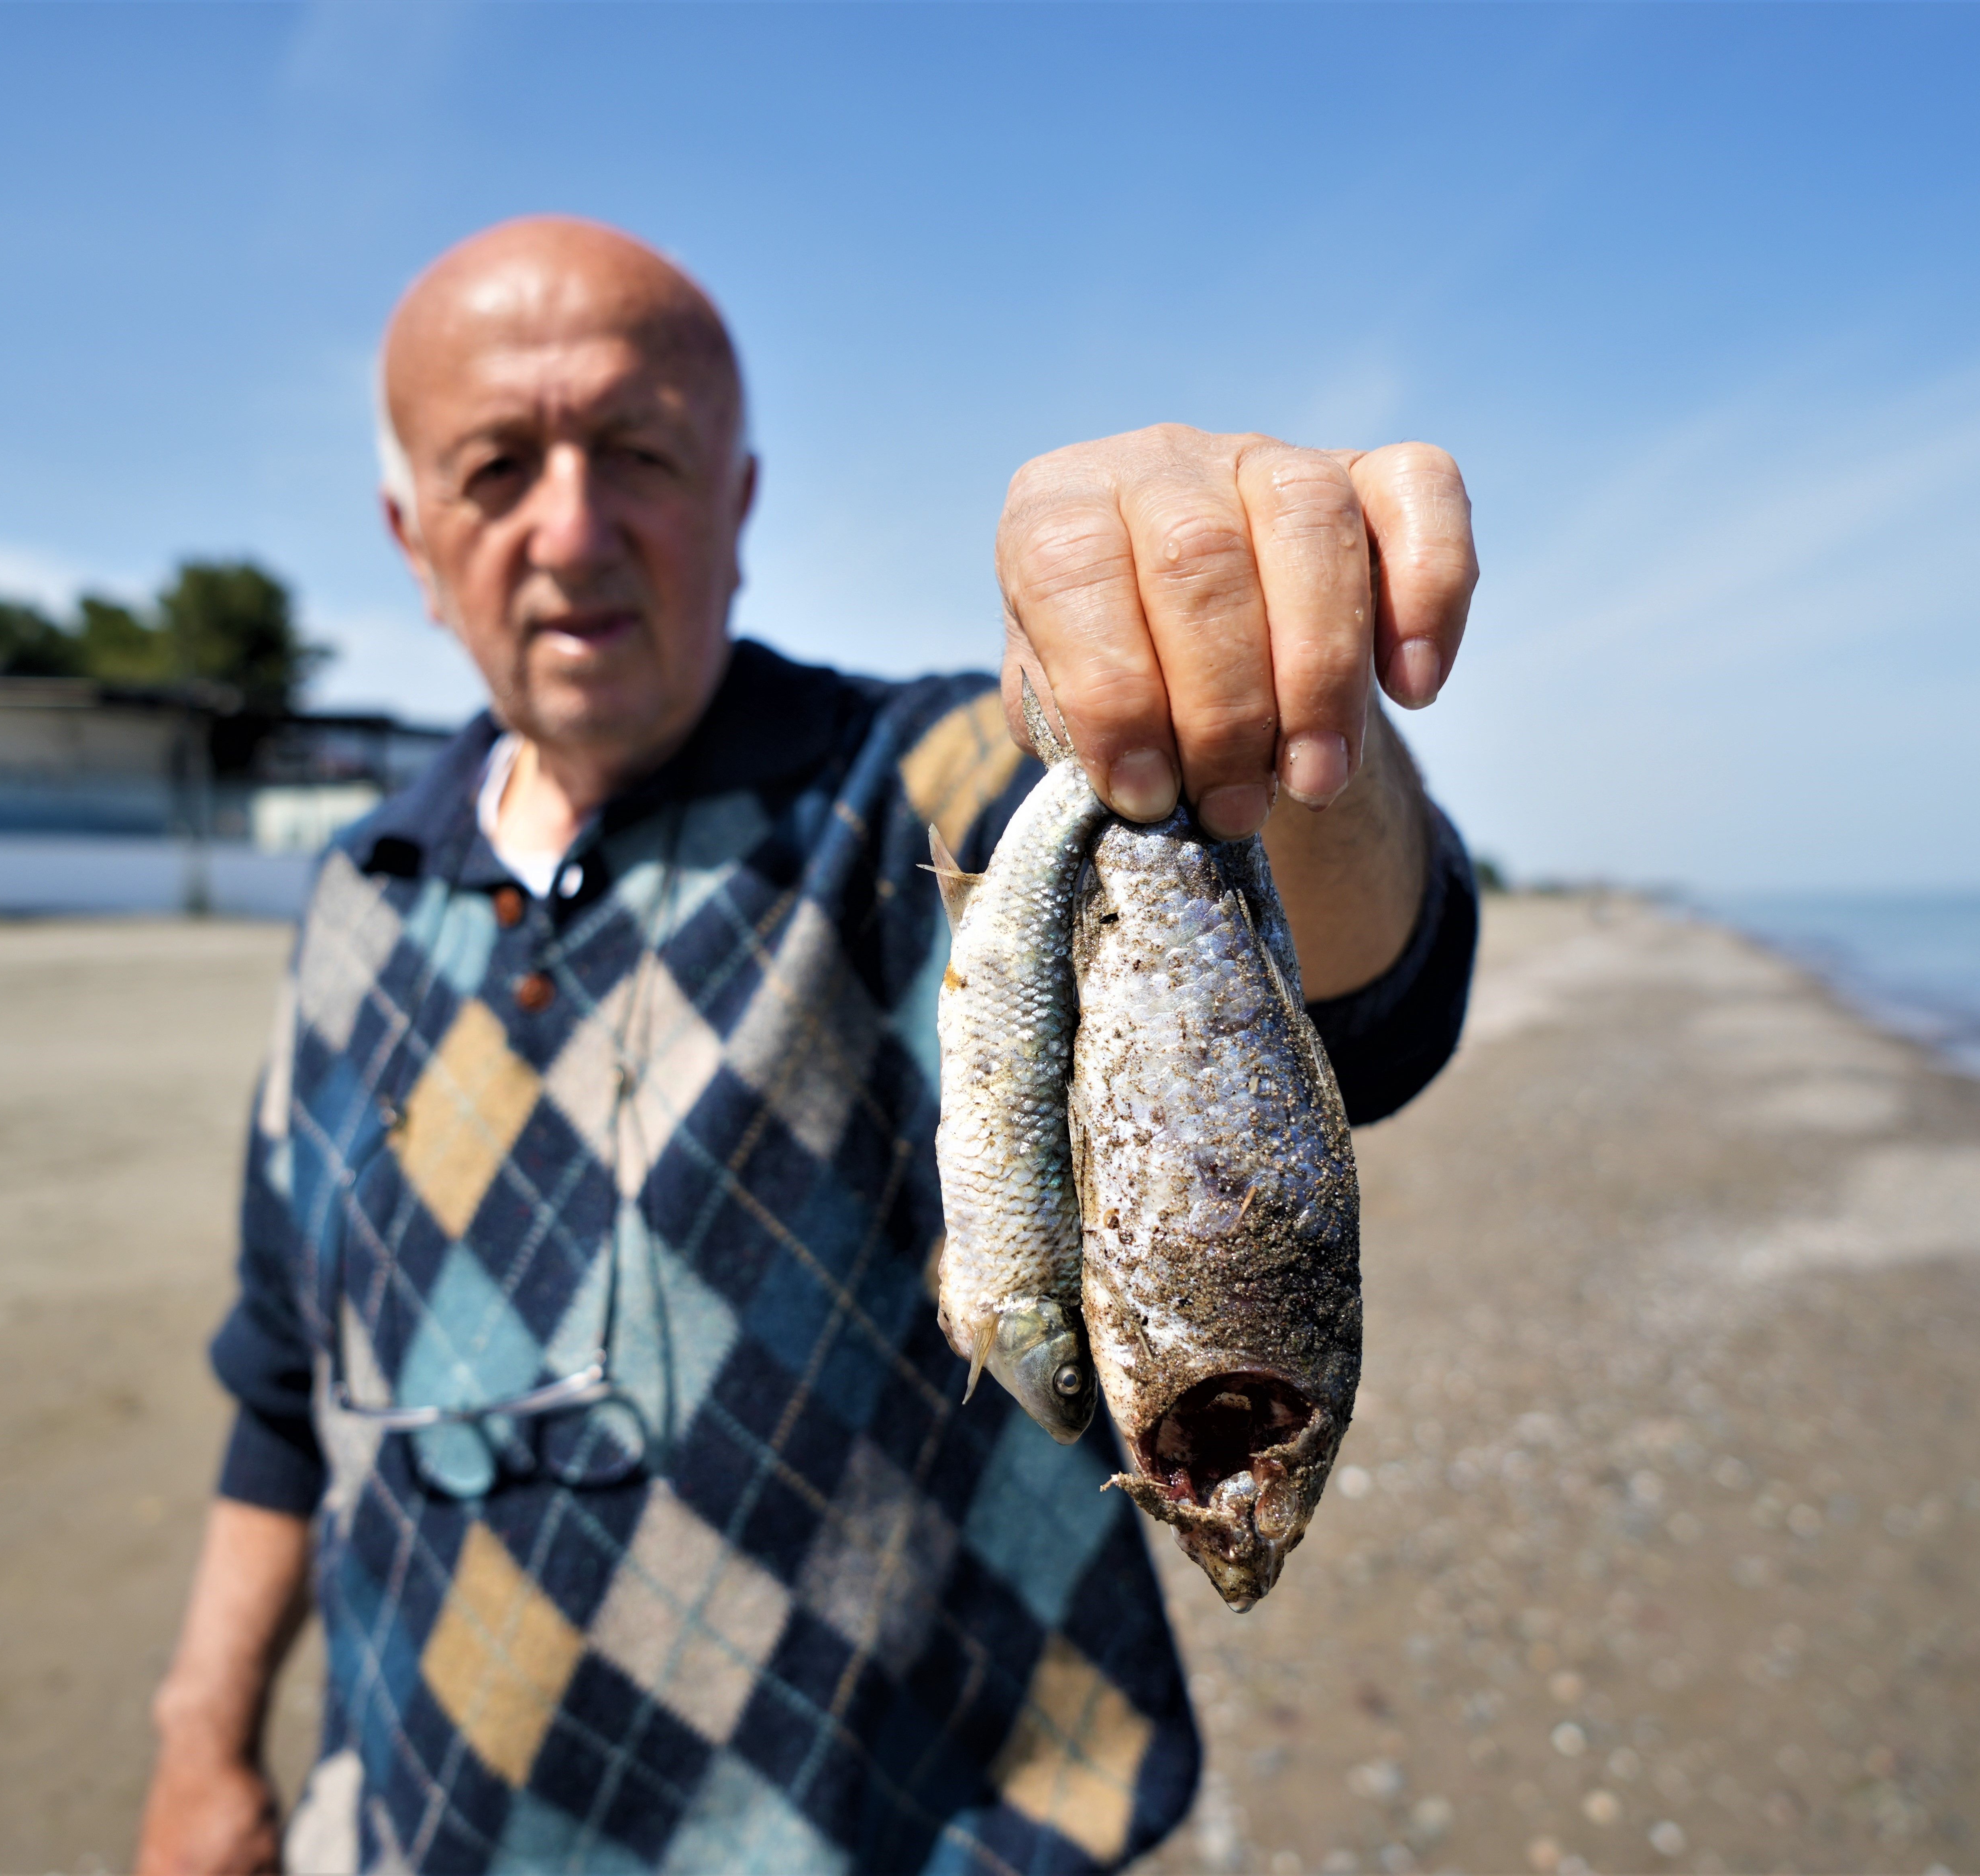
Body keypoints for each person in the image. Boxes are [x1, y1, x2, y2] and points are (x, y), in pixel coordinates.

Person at [136, 216, 1481, 1875]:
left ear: (740, 501)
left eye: (638, 449)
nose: (572, 525)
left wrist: (1256, 685)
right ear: (412, 539)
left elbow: (1376, 991)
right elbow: (282, 1382)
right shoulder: (356, 891)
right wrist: (204, 1743)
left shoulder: (924, 788)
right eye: (498, 468)